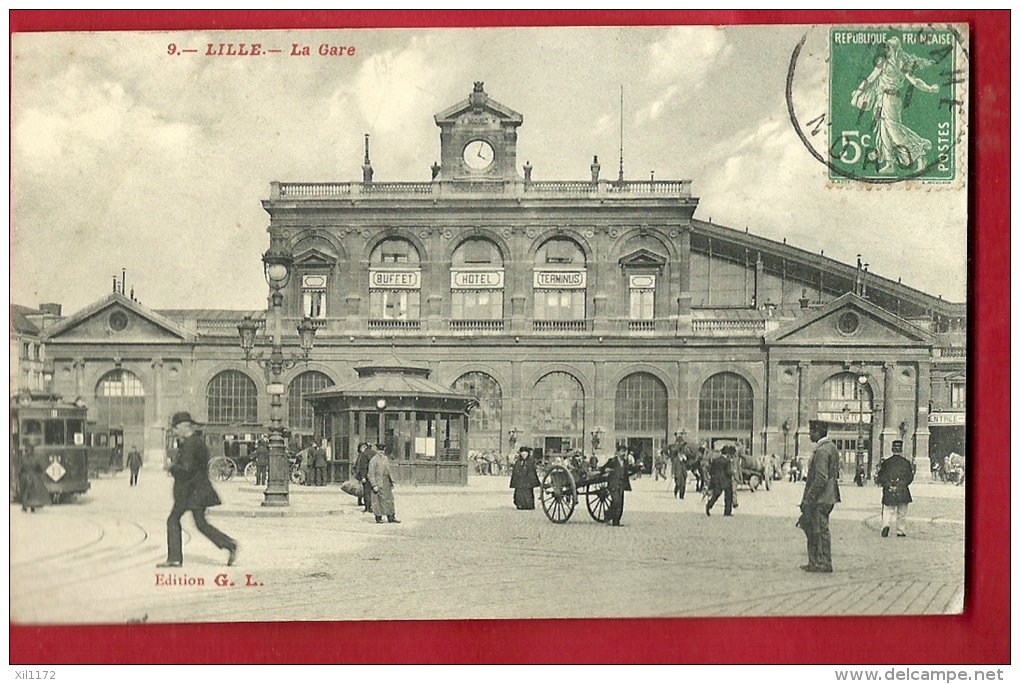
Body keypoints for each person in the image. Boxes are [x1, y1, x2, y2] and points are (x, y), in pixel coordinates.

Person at [851, 37, 941, 174]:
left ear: (895, 48)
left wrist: (929, 88)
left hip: (892, 99)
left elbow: (914, 80)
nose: (886, 49)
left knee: (894, 130)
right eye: (886, 47)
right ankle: (890, 163)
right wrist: (858, 93)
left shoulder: (900, 63)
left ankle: (919, 155)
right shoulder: (882, 62)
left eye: (889, 47)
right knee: (884, 131)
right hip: (882, 99)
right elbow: (870, 79)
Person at [159, 412, 238, 568]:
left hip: (190, 491)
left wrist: (172, 467)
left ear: (183, 426)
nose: (174, 431)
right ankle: (229, 545)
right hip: (197, 490)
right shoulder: (196, 442)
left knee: (173, 520)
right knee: (201, 523)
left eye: (175, 427)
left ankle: (175, 559)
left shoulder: (190, 444)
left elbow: (187, 469)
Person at [798, 420, 841, 573]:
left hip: (820, 498)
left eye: (811, 431)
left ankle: (821, 563)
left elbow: (820, 478)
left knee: (818, 530)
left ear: (818, 432)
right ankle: (819, 561)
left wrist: (808, 499)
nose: (809, 434)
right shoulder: (831, 447)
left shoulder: (822, 451)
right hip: (829, 496)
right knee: (819, 529)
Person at [875, 446, 914, 538]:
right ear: (901, 450)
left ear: (892, 450)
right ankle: (900, 530)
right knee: (902, 512)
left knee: (888, 510)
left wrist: (889, 485)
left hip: (889, 490)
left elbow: (881, 476)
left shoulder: (886, 462)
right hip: (902, 490)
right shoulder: (906, 462)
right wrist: (900, 485)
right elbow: (910, 477)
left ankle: (886, 525)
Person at [368, 444, 400, 524]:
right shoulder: (374, 460)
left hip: (386, 482)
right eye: (379, 450)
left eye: (382, 450)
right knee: (378, 501)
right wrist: (374, 485)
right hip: (378, 482)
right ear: (377, 450)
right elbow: (371, 474)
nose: (381, 452)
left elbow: (389, 471)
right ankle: (378, 518)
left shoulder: (385, 459)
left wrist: (391, 481)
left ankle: (391, 517)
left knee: (389, 500)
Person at [602, 446, 631, 526]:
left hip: (621, 485)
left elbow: (628, 470)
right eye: (622, 451)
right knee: (616, 501)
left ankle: (616, 521)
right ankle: (608, 514)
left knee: (621, 504)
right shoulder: (612, 461)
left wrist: (638, 467)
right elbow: (603, 468)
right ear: (617, 452)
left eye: (625, 451)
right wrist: (606, 469)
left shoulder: (625, 462)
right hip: (613, 484)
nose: (624, 453)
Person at [17, 447, 49, 513]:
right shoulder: (35, 459)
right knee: (33, 492)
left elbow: (20, 468)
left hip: (25, 476)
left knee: (25, 491)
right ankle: (32, 506)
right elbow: (39, 468)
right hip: (34, 477)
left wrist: (20, 475)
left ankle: (25, 506)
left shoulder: (23, 458)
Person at [706, 448, 734, 516]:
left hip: (716, 480)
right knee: (728, 496)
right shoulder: (727, 461)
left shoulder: (715, 460)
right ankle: (727, 512)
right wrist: (733, 472)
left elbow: (711, 470)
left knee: (716, 494)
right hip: (726, 481)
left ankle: (709, 505)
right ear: (727, 454)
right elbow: (728, 472)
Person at [354, 442, 375, 513]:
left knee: (367, 492)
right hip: (374, 476)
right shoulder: (374, 453)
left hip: (366, 476)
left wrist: (362, 476)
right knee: (373, 491)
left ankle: (367, 507)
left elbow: (363, 466)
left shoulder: (364, 454)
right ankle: (374, 507)